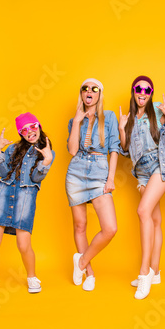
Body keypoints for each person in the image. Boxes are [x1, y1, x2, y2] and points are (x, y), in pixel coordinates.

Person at [118, 75, 165, 299]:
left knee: (142, 212)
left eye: (147, 90)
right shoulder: (129, 118)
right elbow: (126, 151)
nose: (142, 93)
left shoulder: (156, 110)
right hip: (142, 174)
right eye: (139, 88)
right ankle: (155, 271)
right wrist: (121, 128)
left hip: (160, 165)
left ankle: (144, 273)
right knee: (154, 220)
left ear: (151, 93)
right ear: (133, 91)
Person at [0, 112, 55, 297]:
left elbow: (36, 177)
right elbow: (2, 172)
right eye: (24, 130)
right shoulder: (13, 149)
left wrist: (46, 161)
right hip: (3, 193)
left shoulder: (47, 151)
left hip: (26, 197)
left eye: (33, 126)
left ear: (39, 125)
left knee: (23, 244)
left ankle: (32, 277)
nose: (30, 132)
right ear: (21, 133)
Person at [66, 78, 119, 291]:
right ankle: (89, 273)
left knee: (110, 228)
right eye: (85, 88)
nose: (89, 91)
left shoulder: (110, 117)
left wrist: (111, 178)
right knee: (80, 225)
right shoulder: (74, 120)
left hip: (99, 171)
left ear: (99, 94)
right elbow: (71, 150)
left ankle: (80, 262)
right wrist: (77, 122)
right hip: (76, 172)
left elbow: (114, 148)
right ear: (82, 94)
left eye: (94, 89)